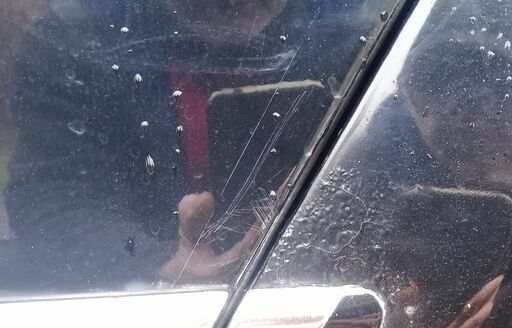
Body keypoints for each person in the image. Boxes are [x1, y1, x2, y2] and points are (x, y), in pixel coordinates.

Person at [4, 0, 366, 291]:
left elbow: (378, 179)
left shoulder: (360, 36)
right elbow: (51, 197)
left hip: (312, 290)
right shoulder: (80, 37)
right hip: (154, 311)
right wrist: (158, 261)